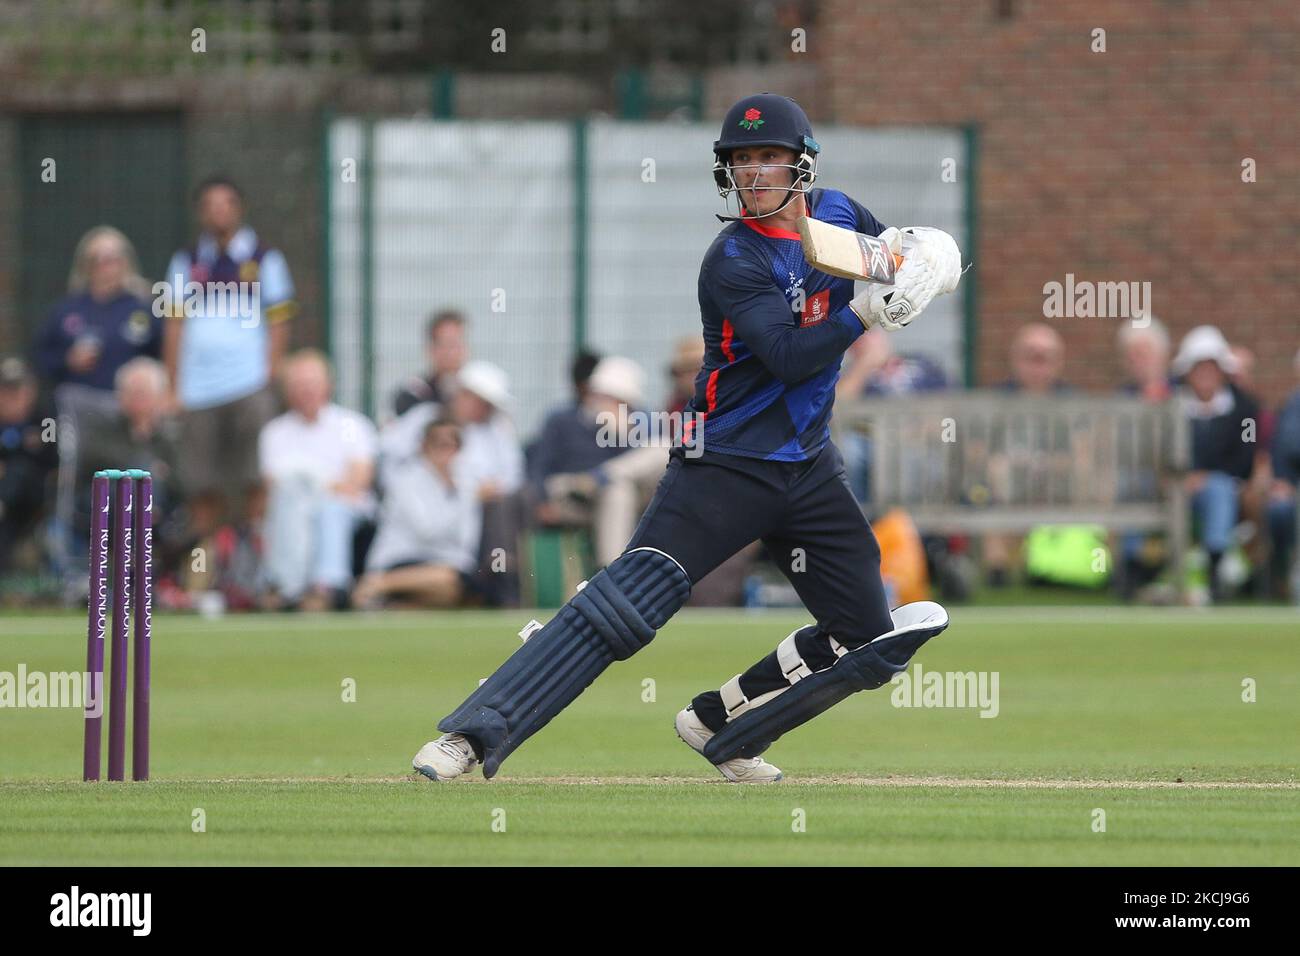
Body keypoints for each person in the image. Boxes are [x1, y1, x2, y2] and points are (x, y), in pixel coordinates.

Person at [412, 93, 962, 784]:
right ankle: (471, 735)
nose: (755, 172)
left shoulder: (841, 214)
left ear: (802, 164)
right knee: (625, 610)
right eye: (742, 160)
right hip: (725, 462)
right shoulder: (734, 259)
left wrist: (932, 255)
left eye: (769, 157)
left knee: (870, 638)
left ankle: (719, 723)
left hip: (807, 466)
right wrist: (864, 313)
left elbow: (896, 262)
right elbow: (791, 357)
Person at [163, 176, 295, 511]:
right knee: (201, 482)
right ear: (200, 213)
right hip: (197, 390)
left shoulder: (266, 259)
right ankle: (207, 558)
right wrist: (173, 385)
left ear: (240, 209)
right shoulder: (185, 261)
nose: (219, 212)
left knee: (256, 475)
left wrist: (270, 371)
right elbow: (174, 323)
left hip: (250, 384)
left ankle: (253, 554)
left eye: (226, 204)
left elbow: (279, 320)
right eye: (211, 205)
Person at [258, 350, 376, 611]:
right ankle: (286, 586)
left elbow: (356, 484)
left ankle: (327, 588)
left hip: (347, 510)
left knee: (329, 511)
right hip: (295, 509)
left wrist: (315, 488)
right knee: (290, 509)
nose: (306, 392)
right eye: (299, 386)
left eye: (312, 384)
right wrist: (321, 486)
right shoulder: (274, 432)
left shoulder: (353, 425)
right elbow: (274, 487)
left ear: (328, 386)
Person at [353, 418, 481, 609]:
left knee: (453, 589)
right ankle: (376, 583)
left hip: (444, 566)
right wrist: (462, 499)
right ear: (424, 446)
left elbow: (467, 540)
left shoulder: (466, 485)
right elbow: (427, 530)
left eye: (454, 445)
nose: (447, 452)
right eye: (440, 445)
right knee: (448, 579)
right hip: (400, 560)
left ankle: (392, 608)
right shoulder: (405, 480)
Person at [1172, 325, 1260, 602]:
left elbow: (1246, 455)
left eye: (1212, 368)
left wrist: (1208, 476)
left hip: (1225, 486)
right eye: (1199, 368)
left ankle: (1215, 567)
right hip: (1178, 487)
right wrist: (1184, 477)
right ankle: (1138, 570)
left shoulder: (1246, 411)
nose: (1206, 375)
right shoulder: (1172, 406)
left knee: (1219, 489)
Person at [33, 226, 160, 393]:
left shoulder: (143, 307)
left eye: (111, 259)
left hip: (127, 405)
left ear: (125, 262)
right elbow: (39, 358)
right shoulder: (67, 309)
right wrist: (67, 360)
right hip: (77, 401)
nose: (104, 267)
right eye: (96, 259)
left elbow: (163, 356)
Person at [0, 357, 57, 574]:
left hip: (35, 494)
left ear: (30, 391)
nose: (12, 397)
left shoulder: (46, 419)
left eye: (18, 390)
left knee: (20, 469)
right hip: (10, 504)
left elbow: (51, 459)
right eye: (6, 390)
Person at [392, 309, 468, 418]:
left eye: (456, 344)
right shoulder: (415, 394)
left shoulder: (477, 396)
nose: (451, 352)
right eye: (445, 344)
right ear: (430, 349)